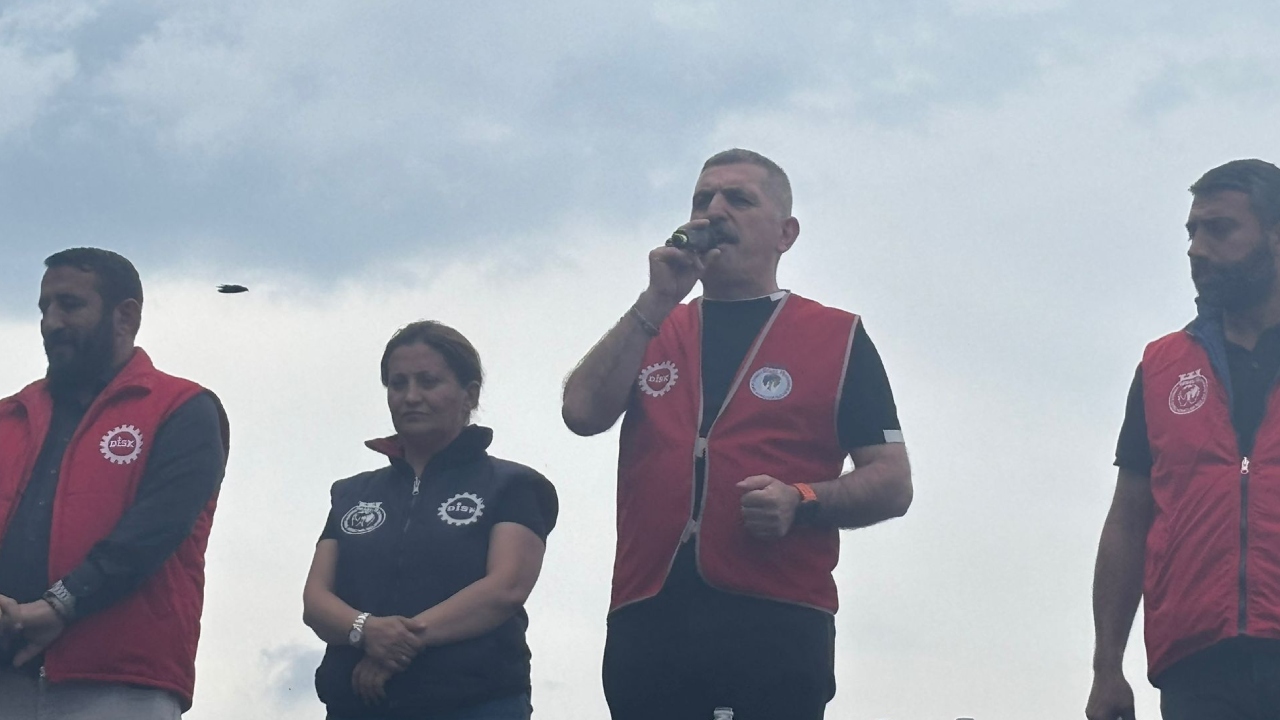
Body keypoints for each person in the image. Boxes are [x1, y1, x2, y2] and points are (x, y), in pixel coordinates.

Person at [562, 148, 913, 720]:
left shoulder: (837, 335)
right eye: (703, 199)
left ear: (785, 234)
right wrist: (656, 300)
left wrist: (801, 499)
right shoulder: (653, 326)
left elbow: (892, 482)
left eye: (739, 199)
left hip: (774, 620)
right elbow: (581, 413)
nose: (714, 211)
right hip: (648, 619)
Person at [0, 248, 230, 719]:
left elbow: (154, 529)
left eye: (70, 305)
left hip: (119, 684)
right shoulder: (9, 417)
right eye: (44, 307)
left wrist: (59, 606)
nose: (51, 322)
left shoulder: (183, 408)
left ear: (126, 316)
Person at [1087, 159, 1280, 720]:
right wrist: (1106, 667)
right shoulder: (1162, 367)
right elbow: (1129, 518)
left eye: (1220, 229)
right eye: (1192, 232)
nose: (1197, 248)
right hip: (1196, 666)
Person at [304, 320, 558, 720]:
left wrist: (397, 644)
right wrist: (367, 630)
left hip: (475, 703)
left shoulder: (513, 485)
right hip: (358, 706)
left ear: (469, 394)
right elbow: (316, 600)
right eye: (398, 383)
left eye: (428, 381)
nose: (411, 396)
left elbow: (505, 588)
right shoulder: (352, 494)